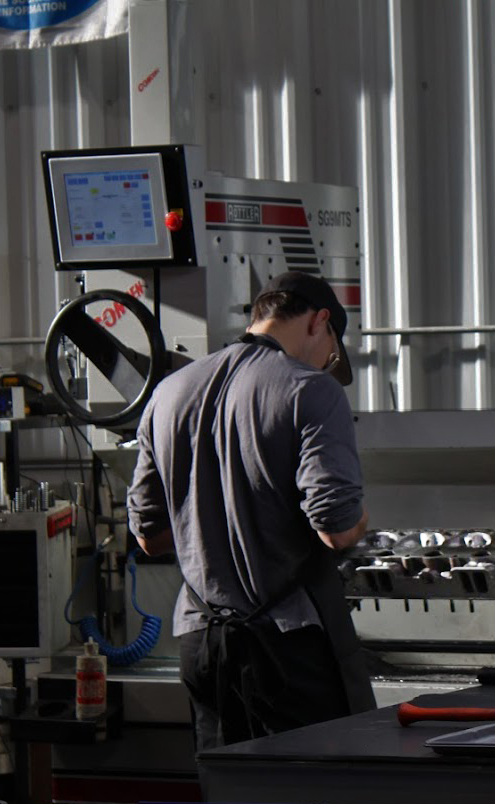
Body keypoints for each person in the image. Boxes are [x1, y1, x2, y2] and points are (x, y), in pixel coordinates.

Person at [127, 271, 377, 749]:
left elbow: (149, 536)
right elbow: (336, 528)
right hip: (286, 647)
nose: (324, 365)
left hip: (202, 644)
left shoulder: (167, 393)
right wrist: (363, 521)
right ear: (319, 321)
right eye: (329, 352)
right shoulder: (311, 390)